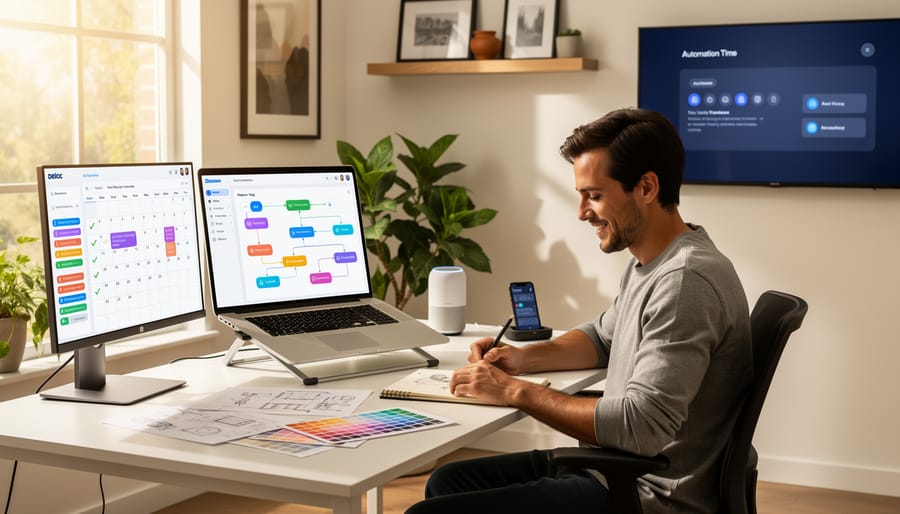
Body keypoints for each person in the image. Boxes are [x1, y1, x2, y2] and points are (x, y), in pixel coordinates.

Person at [405, 108, 752, 514]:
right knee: (448, 479)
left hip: (646, 494)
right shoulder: (657, 261)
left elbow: (641, 427)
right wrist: (520, 359)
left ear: (646, 187)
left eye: (595, 195)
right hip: (618, 469)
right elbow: (602, 337)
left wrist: (513, 392)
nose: (582, 212)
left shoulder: (685, 281)